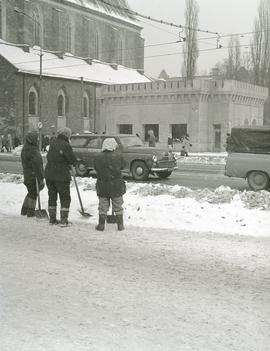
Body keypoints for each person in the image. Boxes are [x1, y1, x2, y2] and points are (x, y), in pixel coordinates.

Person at [45, 127, 77, 226]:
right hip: (61, 175)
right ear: (67, 135)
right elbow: (71, 159)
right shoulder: (66, 145)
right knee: (65, 197)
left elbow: (49, 156)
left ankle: (52, 219)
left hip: (49, 174)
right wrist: (71, 163)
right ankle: (63, 220)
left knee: (52, 196)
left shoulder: (53, 143)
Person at [94, 138, 126, 231]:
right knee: (118, 205)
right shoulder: (118, 156)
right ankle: (120, 225)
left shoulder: (98, 156)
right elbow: (123, 165)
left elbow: (96, 167)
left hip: (103, 185)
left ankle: (101, 225)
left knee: (103, 205)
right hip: (116, 184)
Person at [20, 131, 44, 217]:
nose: (38, 140)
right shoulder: (33, 150)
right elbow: (37, 166)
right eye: (36, 139)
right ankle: (30, 212)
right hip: (33, 176)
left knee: (30, 192)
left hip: (27, 175)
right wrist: (41, 178)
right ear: (33, 140)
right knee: (34, 193)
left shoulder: (25, 148)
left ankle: (24, 209)